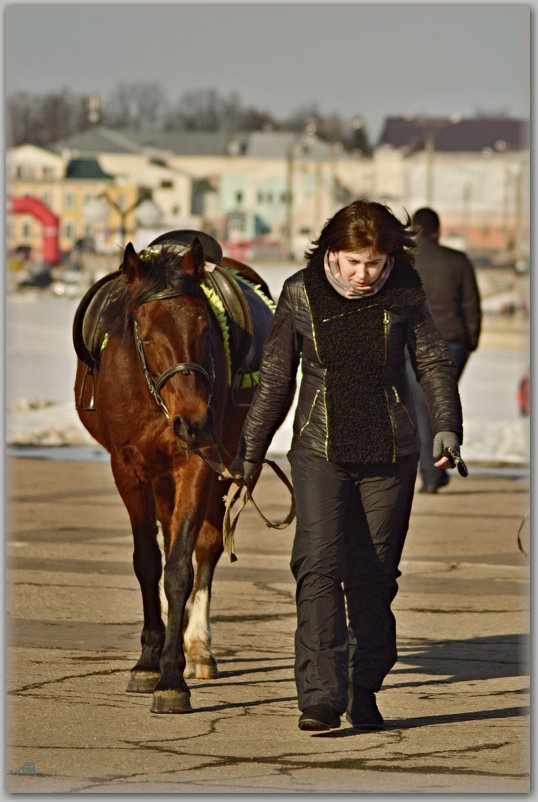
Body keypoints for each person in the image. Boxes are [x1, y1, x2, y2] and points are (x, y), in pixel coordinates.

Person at [230, 200, 464, 733]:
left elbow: (431, 361)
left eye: (374, 264)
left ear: (389, 260)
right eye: (354, 262)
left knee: (374, 576)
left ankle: (364, 686)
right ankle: (319, 695)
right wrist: (249, 455)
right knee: (317, 566)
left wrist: (447, 426)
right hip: (319, 451)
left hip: (391, 453)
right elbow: (275, 381)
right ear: (332, 253)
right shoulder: (300, 291)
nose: (364, 275)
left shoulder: (404, 289)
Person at [407, 207, 481, 493]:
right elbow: (471, 307)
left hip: (415, 343)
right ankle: (436, 471)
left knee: (424, 408)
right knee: (439, 402)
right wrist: (469, 342)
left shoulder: (407, 262)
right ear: (439, 230)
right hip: (453, 342)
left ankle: (431, 474)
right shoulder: (459, 261)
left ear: (414, 230)